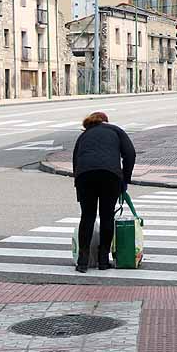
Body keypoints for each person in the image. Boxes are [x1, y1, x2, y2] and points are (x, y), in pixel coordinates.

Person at [72, 111, 136, 272]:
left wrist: (78, 183)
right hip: (110, 175)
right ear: (106, 121)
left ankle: (83, 261)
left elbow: (76, 160)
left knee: (87, 216)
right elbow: (130, 154)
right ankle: (103, 260)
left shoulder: (84, 135)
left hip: (85, 176)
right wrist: (125, 179)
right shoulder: (116, 130)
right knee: (107, 215)